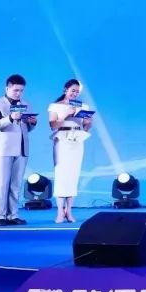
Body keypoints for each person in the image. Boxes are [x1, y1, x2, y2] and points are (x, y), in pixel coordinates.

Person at [0, 74, 37, 226]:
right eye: (16, 90)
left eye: (21, 91)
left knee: (16, 184)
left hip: (22, 148)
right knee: (2, 184)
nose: (18, 93)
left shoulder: (25, 104)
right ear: (7, 88)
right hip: (5, 149)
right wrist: (10, 117)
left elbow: (27, 129)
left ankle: (12, 215)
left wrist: (32, 122)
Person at [48, 79, 92, 223]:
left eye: (77, 92)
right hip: (61, 139)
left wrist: (88, 121)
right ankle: (60, 211)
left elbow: (86, 127)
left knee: (73, 175)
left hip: (77, 140)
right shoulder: (55, 106)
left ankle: (69, 211)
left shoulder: (83, 106)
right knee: (61, 174)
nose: (75, 93)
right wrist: (65, 114)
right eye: (73, 90)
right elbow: (53, 125)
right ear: (65, 90)